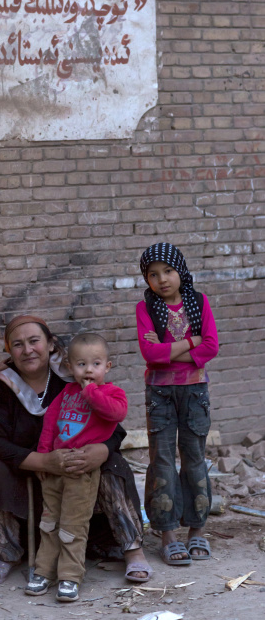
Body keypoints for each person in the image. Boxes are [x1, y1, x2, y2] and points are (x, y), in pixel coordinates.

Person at [0, 315, 153, 588]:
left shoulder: (74, 376)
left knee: (112, 463)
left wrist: (101, 450)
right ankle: (5, 551)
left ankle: (131, 547)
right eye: (18, 345)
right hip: (28, 476)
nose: (28, 350)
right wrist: (43, 461)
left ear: (51, 344)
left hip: (78, 473)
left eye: (34, 341)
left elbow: (114, 426)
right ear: (9, 351)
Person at [27, 332, 128, 602]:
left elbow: (116, 414)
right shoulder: (65, 393)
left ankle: (70, 576)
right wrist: (43, 454)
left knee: (73, 526)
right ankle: (43, 571)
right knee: (49, 523)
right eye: (81, 364)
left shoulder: (111, 393)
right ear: (70, 368)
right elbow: (50, 423)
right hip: (56, 469)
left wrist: (91, 391)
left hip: (82, 472)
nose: (89, 370)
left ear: (107, 367)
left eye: (96, 364)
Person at [136, 242, 219, 565]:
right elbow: (150, 356)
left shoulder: (199, 302)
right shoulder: (145, 309)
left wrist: (170, 350)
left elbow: (211, 346)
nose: (162, 280)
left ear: (180, 271)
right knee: (163, 461)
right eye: (153, 274)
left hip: (195, 392)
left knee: (195, 458)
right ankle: (168, 534)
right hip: (159, 394)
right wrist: (190, 343)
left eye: (168, 271)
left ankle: (197, 532)